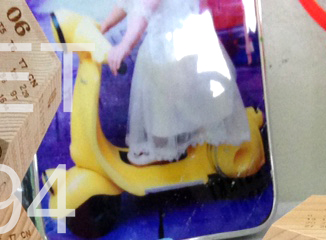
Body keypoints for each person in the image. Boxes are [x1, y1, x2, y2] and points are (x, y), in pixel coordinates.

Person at [100, 0, 251, 165]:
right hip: (170, 39)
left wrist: (125, 45)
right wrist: (106, 24)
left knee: (163, 94)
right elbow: (126, 3)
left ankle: (165, 148)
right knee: (166, 95)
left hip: (178, 41)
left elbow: (145, 8)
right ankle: (179, 141)